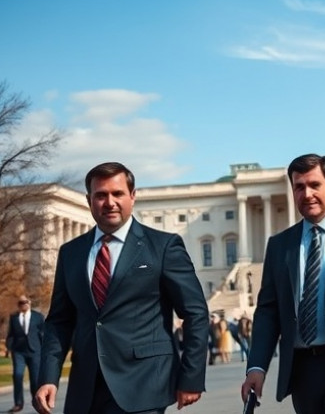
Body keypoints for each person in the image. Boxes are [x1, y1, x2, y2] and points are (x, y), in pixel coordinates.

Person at [35, 162, 209, 414]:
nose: (109, 202)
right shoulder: (71, 253)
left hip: (143, 384)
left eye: (117, 194)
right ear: (89, 200)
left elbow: (195, 313)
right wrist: (48, 377)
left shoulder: (163, 247)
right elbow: (59, 321)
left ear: (133, 196)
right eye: (101, 195)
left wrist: (191, 377)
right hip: (86, 388)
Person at [241, 154, 325, 414]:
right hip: (302, 369)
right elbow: (268, 311)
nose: (308, 194)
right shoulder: (281, 245)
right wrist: (256, 367)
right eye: (299, 187)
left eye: (315, 185)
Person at [5, 295, 44, 413]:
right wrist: (10, 346)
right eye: (20, 303)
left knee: (35, 379)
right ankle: (18, 403)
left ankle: (37, 402)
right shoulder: (14, 317)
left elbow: (43, 333)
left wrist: (43, 349)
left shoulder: (38, 317)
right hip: (19, 352)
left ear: (30, 302)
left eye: (25, 302)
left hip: (34, 351)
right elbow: (10, 334)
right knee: (17, 375)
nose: (23, 304)